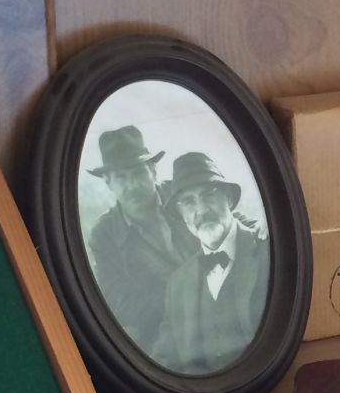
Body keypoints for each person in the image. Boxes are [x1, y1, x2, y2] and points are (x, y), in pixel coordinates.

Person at [153, 152, 270, 374]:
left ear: (229, 199)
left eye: (209, 195)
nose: (201, 210)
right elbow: (165, 358)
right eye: (189, 202)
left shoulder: (267, 250)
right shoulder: (177, 283)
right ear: (181, 214)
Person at [84, 126, 196, 344]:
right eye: (121, 178)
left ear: (153, 171)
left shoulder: (182, 193)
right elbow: (119, 299)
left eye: (138, 173)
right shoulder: (104, 235)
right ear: (108, 182)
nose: (132, 185)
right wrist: (183, 304)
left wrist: (258, 232)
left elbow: (228, 217)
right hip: (166, 326)